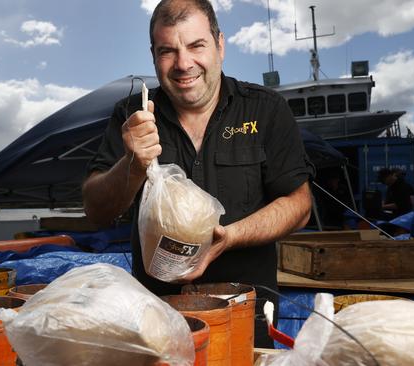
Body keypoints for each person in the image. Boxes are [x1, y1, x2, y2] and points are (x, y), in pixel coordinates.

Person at [82, 0, 314, 347]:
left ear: (220, 44)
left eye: (195, 45)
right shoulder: (131, 115)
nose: (183, 63)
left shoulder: (265, 110)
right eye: (167, 51)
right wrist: (131, 163)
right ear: (153, 55)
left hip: (243, 316)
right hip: (157, 319)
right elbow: (96, 210)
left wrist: (230, 237)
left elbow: (299, 205)